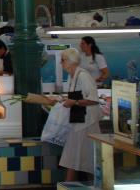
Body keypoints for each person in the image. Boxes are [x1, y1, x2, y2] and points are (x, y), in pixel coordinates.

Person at [59, 48, 100, 181]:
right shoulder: (73, 76)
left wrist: (74, 102)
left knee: (86, 160)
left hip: (87, 123)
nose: (61, 63)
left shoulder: (83, 76)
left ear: (70, 62)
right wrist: (65, 100)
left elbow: (93, 99)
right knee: (75, 158)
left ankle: (96, 185)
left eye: (63, 60)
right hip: (78, 122)